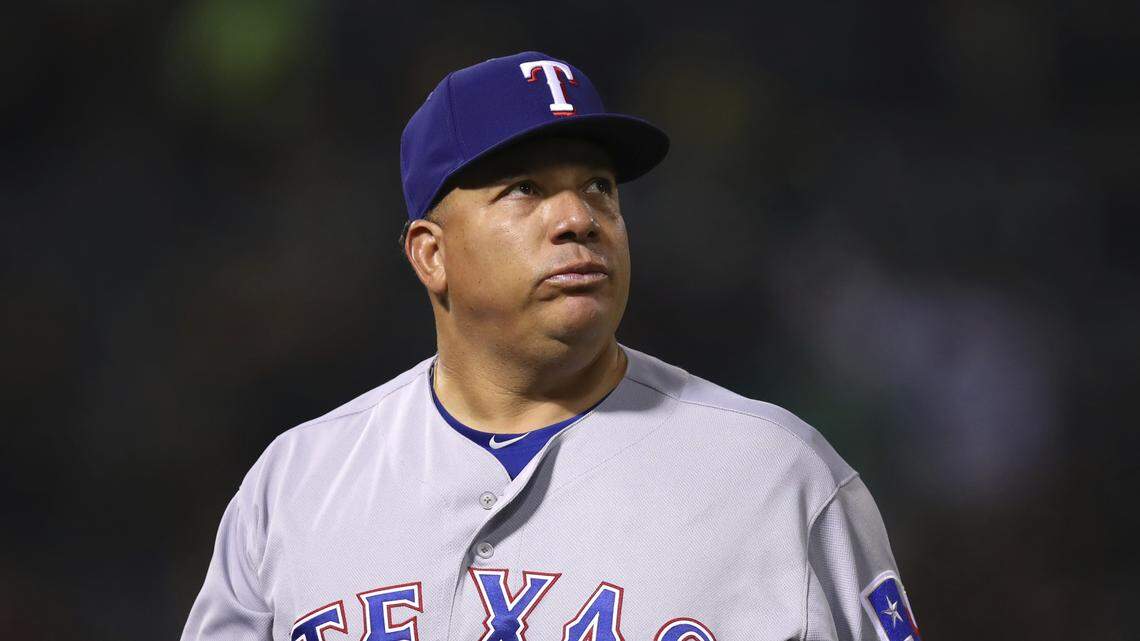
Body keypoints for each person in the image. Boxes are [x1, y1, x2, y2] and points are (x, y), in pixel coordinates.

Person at [181, 51, 922, 641]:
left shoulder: (779, 477)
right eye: (526, 189)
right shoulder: (296, 487)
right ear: (431, 255)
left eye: (598, 186)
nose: (578, 217)